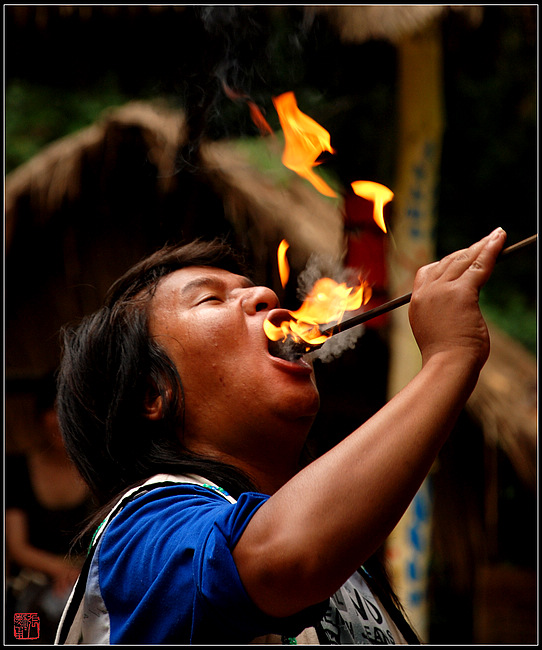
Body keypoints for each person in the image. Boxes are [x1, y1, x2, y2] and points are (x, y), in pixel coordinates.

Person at [54, 228, 507, 645]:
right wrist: (448, 358)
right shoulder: (142, 535)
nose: (268, 295)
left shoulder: (345, 562)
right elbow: (283, 561)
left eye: (251, 288)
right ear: (153, 392)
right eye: (211, 300)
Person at [5, 374, 93, 643]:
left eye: (71, 410)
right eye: (54, 409)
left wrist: (81, 574)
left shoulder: (98, 470)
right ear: (40, 415)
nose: (61, 420)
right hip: (29, 585)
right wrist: (60, 569)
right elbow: (17, 547)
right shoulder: (17, 469)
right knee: (27, 638)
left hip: (86, 582)